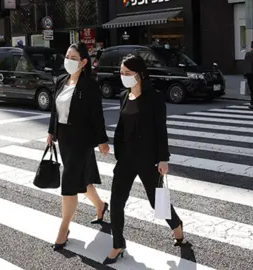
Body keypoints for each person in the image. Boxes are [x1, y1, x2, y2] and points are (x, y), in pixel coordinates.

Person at [105, 54, 184, 264]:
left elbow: (161, 130)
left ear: (139, 74)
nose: (123, 76)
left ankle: (176, 225)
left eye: (127, 73)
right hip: (126, 158)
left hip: (148, 158)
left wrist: (163, 159)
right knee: (116, 201)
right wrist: (118, 152)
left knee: (156, 201)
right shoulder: (124, 96)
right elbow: (122, 129)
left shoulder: (154, 98)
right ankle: (117, 243)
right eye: (121, 73)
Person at [46, 42, 110, 251]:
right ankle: (100, 206)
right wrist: (51, 131)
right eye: (67, 56)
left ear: (83, 62)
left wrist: (102, 140)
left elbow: (97, 115)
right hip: (64, 137)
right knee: (81, 179)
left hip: (81, 139)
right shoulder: (61, 81)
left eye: (73, 58)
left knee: (70, 181)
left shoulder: (89, 85)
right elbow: (55, 110)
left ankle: (63, 228)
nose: (68, 61)